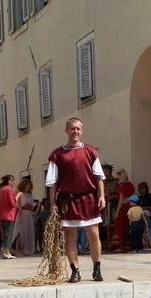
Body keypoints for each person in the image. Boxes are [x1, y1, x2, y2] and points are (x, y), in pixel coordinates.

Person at [46, 117, 106, 283]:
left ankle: (97, 269)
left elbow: (99, 176)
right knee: (70, 236)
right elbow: (52, 182)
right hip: (67, 200)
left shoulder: (90, 152)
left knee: (93, 234)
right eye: (72, 129)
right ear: (66, 131)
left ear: (82, 131)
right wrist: (53, 203)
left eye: (78, 129)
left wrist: (101, 196)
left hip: (88, 198)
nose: (75, 132)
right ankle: (75, 271)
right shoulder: (57, 155)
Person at [12, 177, 36, 256]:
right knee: (22, 231)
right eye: (27, 185)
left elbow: (32, 206)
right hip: (22, 214)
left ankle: (29, 248)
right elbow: (16, 204)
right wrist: (20, 209)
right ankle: (20, 248)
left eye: (29, 185)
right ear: (24, 185)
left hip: (29, 215)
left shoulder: (29, 195)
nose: (28, 187)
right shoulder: (20, 194)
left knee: (29, 230)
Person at [0, 175, 17, 259]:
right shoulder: (9, 190)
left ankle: (5, 252)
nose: (13, 182)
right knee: (9, 234)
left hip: (1, 215)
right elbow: (12, 203)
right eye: (12, 180)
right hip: (9, 215)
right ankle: (7, 252)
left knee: (4, 235)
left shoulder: (1, 190)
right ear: (9, 181)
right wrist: (16, 196)